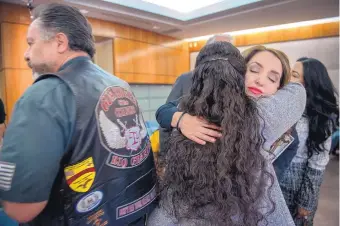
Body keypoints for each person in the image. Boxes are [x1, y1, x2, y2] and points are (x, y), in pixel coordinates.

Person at [0, 3, 156, 225]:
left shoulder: (45, 94)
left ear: (60, 42)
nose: (26, 54)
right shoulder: (120, 85)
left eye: (31, 43)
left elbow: (20, 208)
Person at [148, 41, 301, 226]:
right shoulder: (200, 110)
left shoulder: (267, 118)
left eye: (273, 78)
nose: (260, 80)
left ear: (280, 89)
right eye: (254, 70)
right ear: (236, 71)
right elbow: (164, 110)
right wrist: (180, 119)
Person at [279, 57, 339, 226]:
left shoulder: (321, 118)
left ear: (308, 83)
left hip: (295, 182)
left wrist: (306, 201)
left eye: (295, 75)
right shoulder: (284, 105)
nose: (289, 79)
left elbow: (318, 163)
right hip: (272, 177)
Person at [159, 34, 233, 153]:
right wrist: (164, 155)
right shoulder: (186, 79)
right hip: (185, 154)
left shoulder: (234, 85)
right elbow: (164, 113)